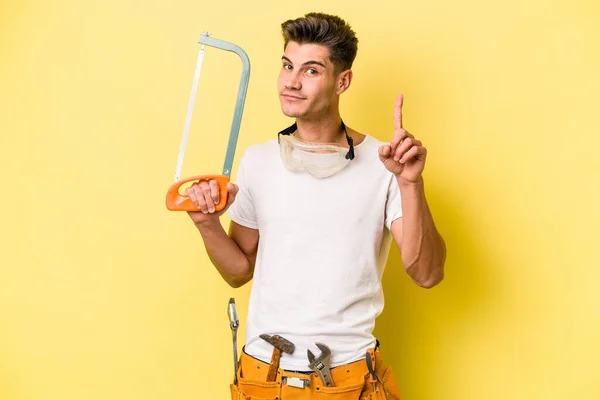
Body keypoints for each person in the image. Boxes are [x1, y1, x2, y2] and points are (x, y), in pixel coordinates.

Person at [184, 12, 446, 400]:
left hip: (349, 380)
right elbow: (239, 272)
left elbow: (427, 273)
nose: (291, 81)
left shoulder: (384, 163)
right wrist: (206, 224)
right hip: (263, 377)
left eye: (310, 70)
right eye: (288, 65)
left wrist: (411, 183)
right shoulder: (257, 161)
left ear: (342, 81)